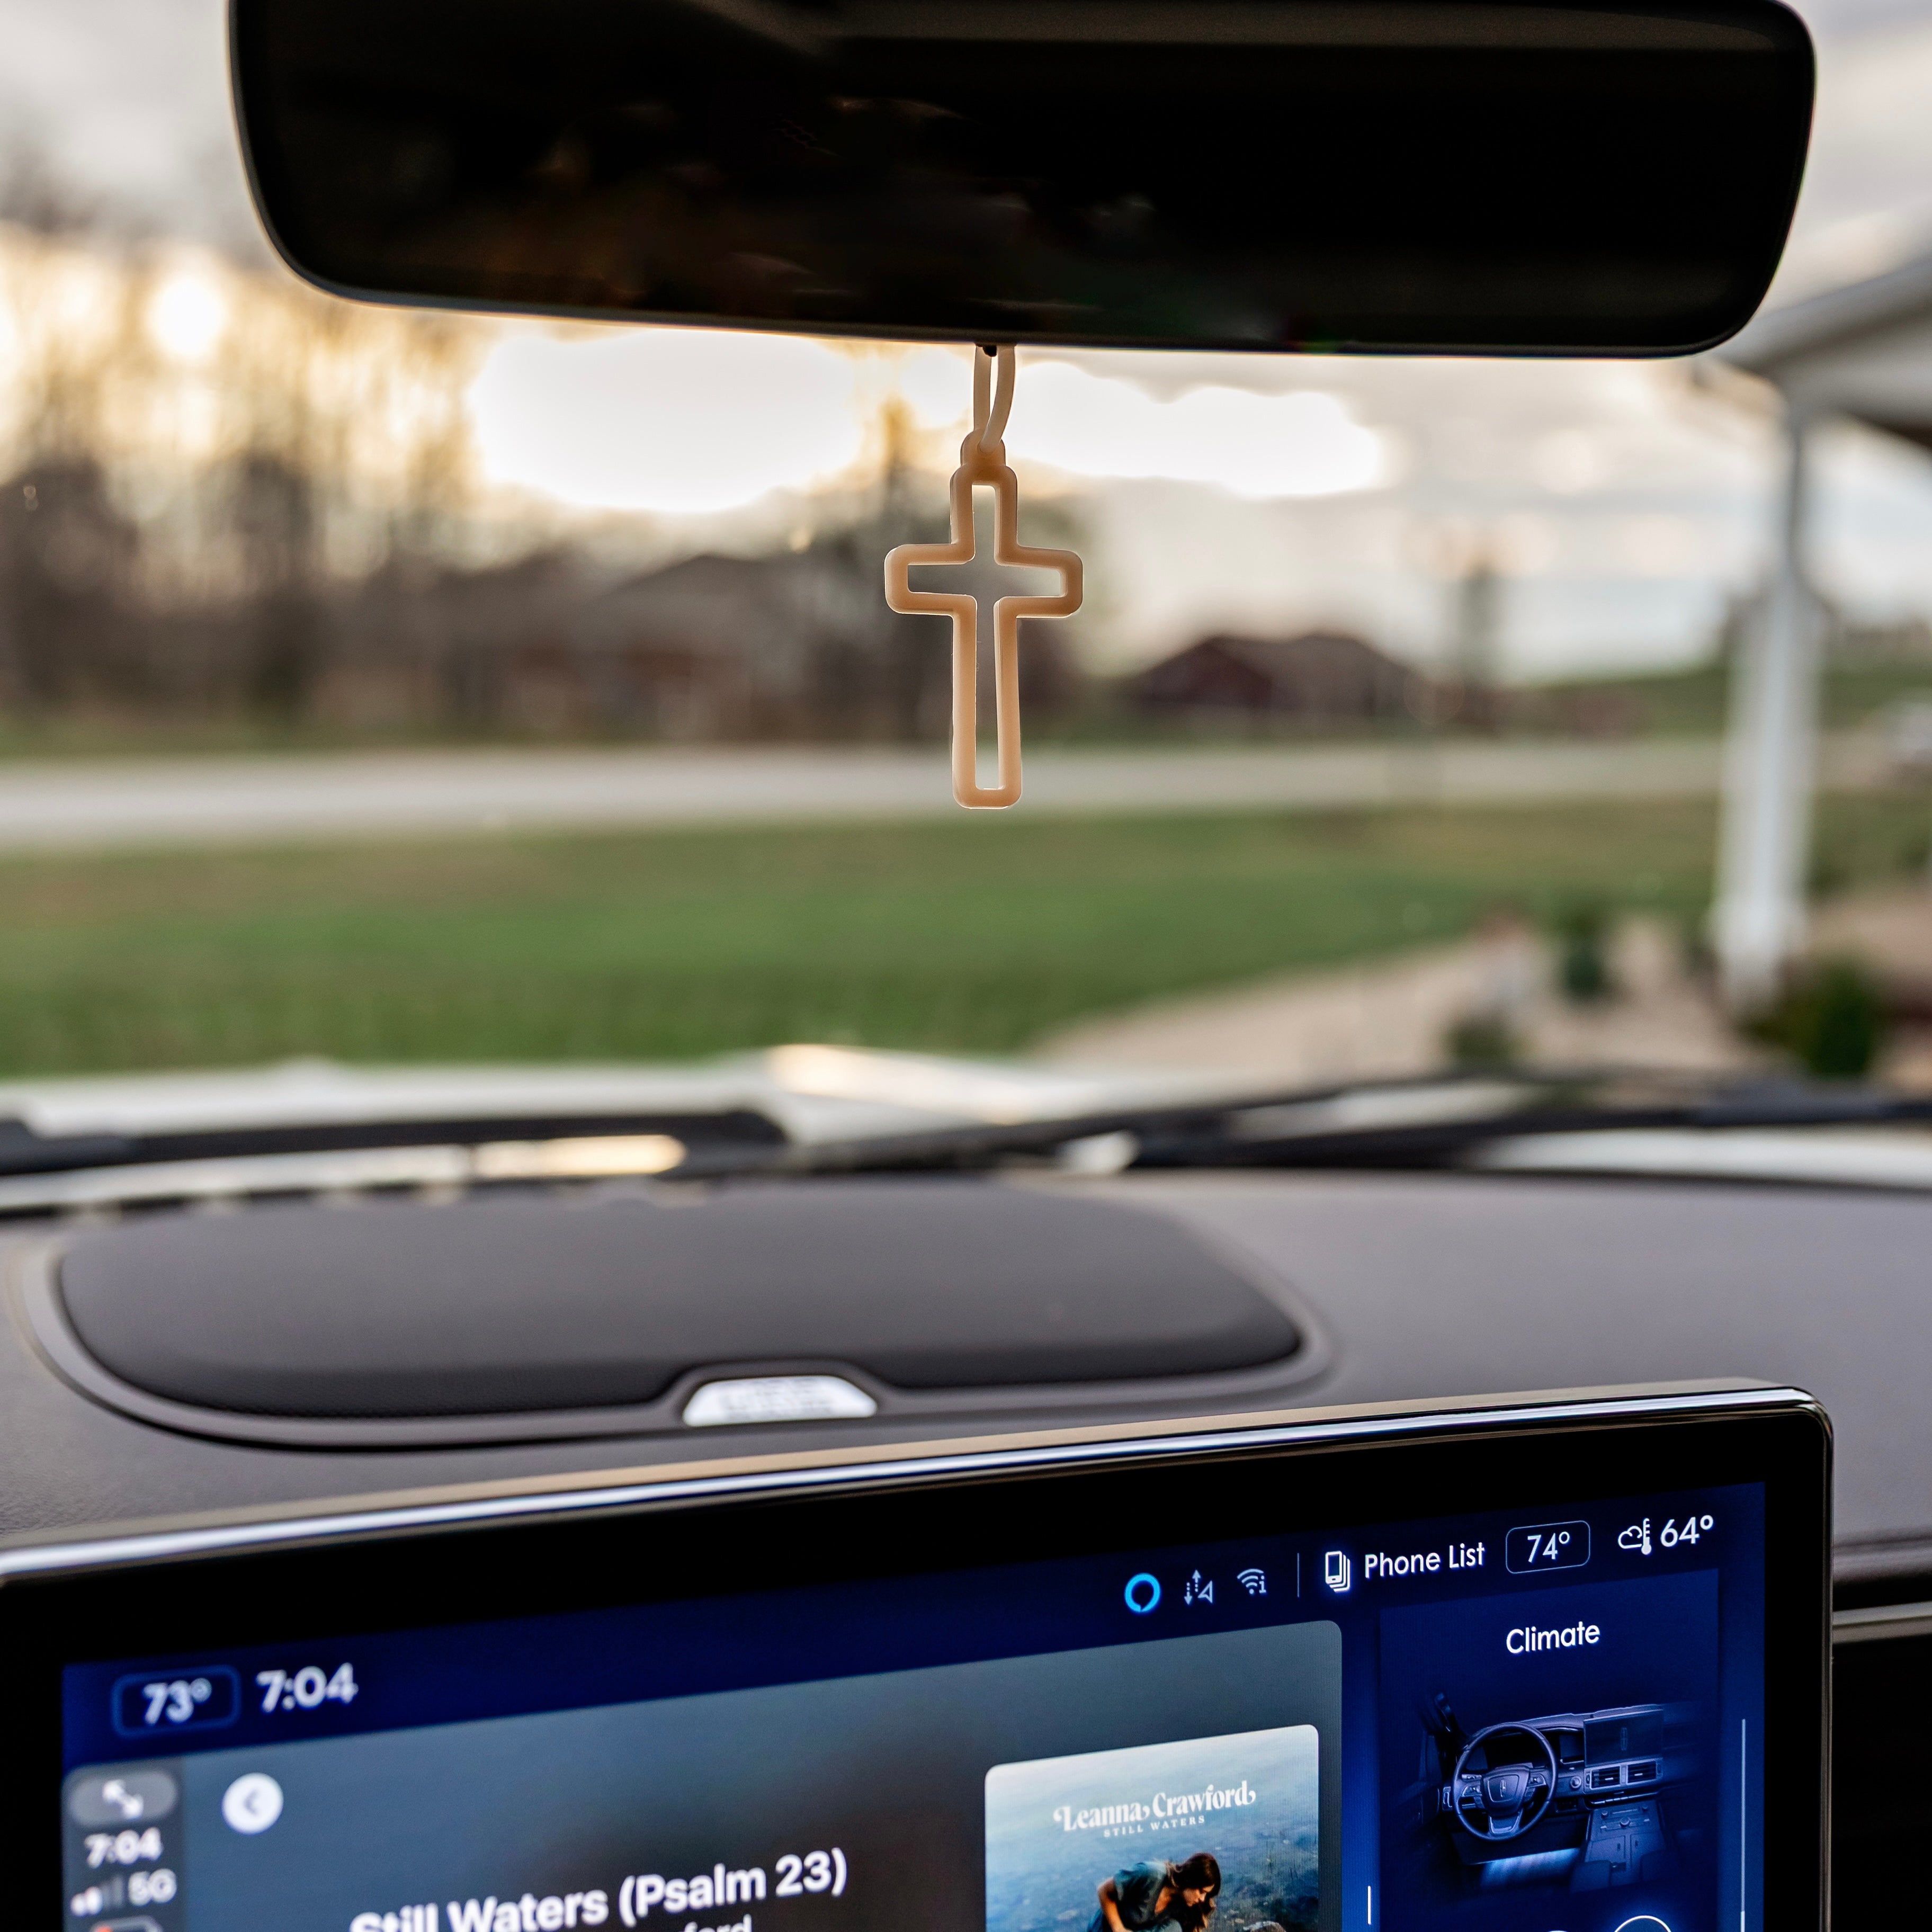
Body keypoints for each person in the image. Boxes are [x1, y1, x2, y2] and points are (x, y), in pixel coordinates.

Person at [1089, 1853, 1222, 1932]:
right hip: (1105, 1929)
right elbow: (1104, 1890)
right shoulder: (1152, 1875)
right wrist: (1119, 1929)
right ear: (1191, 1879)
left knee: (1174, 1929)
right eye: (1201, 1891)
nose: (1202, 1899)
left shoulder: (1185, 1906)